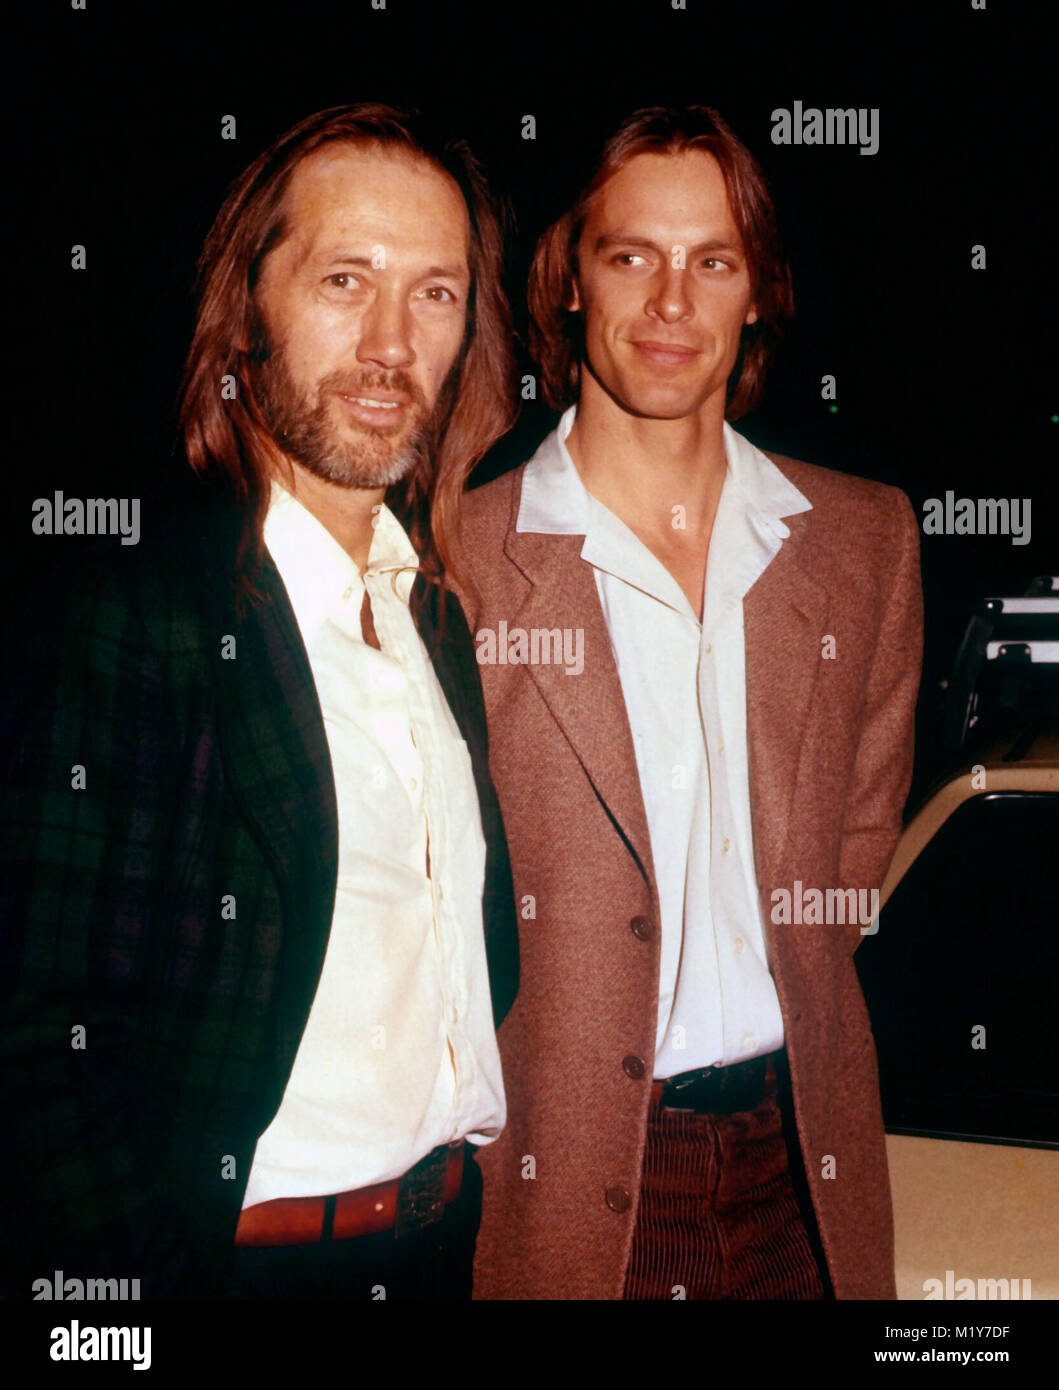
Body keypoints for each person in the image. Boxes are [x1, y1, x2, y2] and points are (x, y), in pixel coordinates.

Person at [0, 103, 519, 1301]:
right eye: (347, 278)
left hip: (439, 1245)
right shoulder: (135, 612)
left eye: (436, 293)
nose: (392, 342)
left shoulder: (432, 612)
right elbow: (38, 1050)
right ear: (247, 312)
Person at [457, 105, 923, 1300]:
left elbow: (857, 849)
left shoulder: (867, 540)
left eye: (712, 261)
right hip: (569, 1192)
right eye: (633, 257)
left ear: (757, 290)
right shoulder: (459, 554)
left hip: (803, 1179)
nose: (673, 304)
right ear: (569, 280)